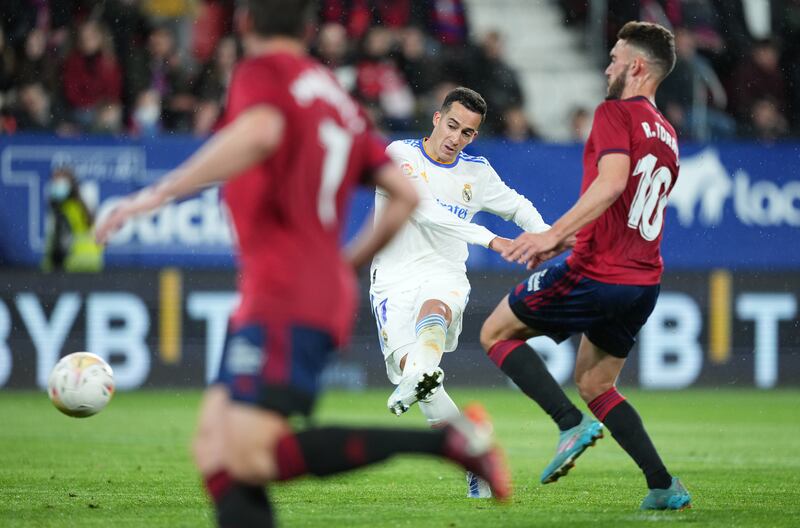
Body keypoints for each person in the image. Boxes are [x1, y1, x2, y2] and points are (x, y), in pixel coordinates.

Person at [94, 2, 510, 526]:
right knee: (214, 447)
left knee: (248, 452)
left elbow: (258, 134)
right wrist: (346, 264)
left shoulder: (263, 73)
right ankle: (451, 442)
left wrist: (153, 196)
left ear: (246, 27)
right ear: (308, 31)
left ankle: (450, 444)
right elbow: (403, 196)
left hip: (284, 291)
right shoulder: (335, 97)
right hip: (300, 288)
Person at [479, 21, 692, 510]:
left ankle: (568, 423)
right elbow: (627, 211)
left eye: (615, 58)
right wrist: (563, 241)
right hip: (644, 281)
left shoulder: (615, 112)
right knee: (597, 384)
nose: (607, 66)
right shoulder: (668, 134)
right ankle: (663, 485)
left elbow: (613, 184)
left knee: (495, 334)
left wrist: (553, 234)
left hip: (600, 273)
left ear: (637, 66)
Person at [371, 86, 550, 498]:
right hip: (392, 280)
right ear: (437, 119)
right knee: (420, 376)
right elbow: (424, 210)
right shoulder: (401, 155)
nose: (456, 138)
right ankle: (476, 455)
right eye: (452, 125)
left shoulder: (477, 173)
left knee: (432, 315)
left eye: (467, 132)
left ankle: (421, 373)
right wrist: (492, 240)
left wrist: (546, 235)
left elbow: (517, 206)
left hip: (444, 273)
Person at [42, 167, 103, 273]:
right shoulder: (81, 205)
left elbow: (60, 243)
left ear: (70, 184)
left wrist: (50, 265)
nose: (56, 186)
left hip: (73, 264)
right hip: (92, 263)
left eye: (59, 183)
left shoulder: (65, 208)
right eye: (54, 182)